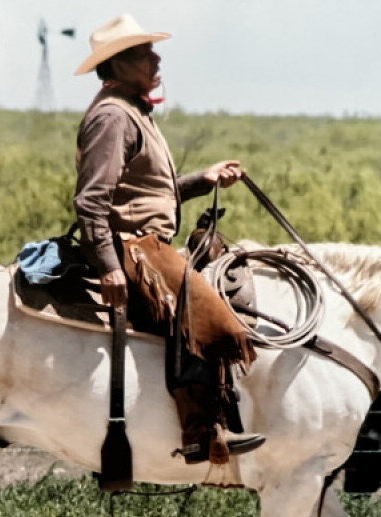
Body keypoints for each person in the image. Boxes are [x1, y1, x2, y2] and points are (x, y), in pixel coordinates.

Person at [73, 14, 264, 465]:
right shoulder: (113, 118)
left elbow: (146, 192)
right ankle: (202, 430)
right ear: (118, 65)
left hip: (147, 241)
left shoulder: (133, 111)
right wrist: (108, 265)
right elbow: (92, 201)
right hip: (133, 248)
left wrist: (203, 178)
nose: (156, 58)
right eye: (143, 53)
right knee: (206, 315)